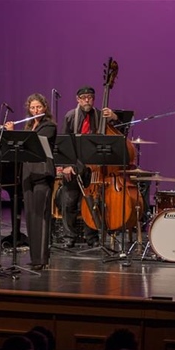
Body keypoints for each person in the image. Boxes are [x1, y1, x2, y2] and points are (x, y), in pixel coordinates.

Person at [0, 93, 56, 268]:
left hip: (43, 173)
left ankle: (42, 259)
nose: (35, 110)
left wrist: (14, 133)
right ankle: (35, 259)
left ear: (45, 108)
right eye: (32, 107)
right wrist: (3, 134)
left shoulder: (49, 126)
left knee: (41, 217)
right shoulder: (29, 125)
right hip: (28, 174)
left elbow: (32, 142)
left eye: (39, 107)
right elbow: (18, 149)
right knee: (30, 216)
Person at [59, 86, 119, 248]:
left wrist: (114, 118)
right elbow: (64, 142)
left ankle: (92, 237)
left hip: (95, 168)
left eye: (90, 97)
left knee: (92, 203)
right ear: (77, 99)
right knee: (69, 202)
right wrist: (66, 165)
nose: (87, 100)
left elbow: (118, 133)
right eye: (84, 97)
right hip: (75, 163)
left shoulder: (101, 116)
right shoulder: (70, 116)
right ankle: (68, 237)